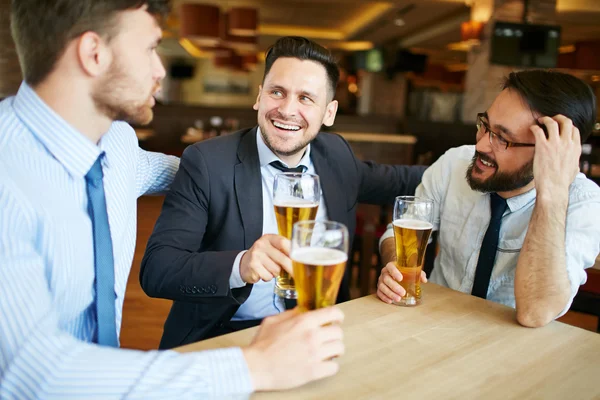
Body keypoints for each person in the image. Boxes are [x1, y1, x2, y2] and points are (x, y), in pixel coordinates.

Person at [0, 1, 346, 397]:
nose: (160, 71)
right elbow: (32, 375)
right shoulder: (7, 178)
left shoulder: (117, 144)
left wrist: (222, 174)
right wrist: (254, 366)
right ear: (93, 53)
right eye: (150, 49)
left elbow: (172, 171)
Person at [140, 36, 427, 348]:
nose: (287, 110)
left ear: (328, 113)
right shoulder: (208, 162)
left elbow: (400, 180)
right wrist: (240, 265)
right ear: (259, 96)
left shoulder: (337, 155)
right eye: (277, 92)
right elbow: (159, 269)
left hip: (317, 330)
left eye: (306, 98)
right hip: (227, 335)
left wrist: (473, 163)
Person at [376, 70, 600, 328]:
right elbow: (399, 232)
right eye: (485, 125)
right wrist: (395, 266)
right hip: (433, 323)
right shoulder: (453, 163)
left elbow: (535, 313)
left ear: (552, 151)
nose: (482, 145)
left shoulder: (584, 203)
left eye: (503, 138)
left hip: (510, 350)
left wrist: (551, 194)